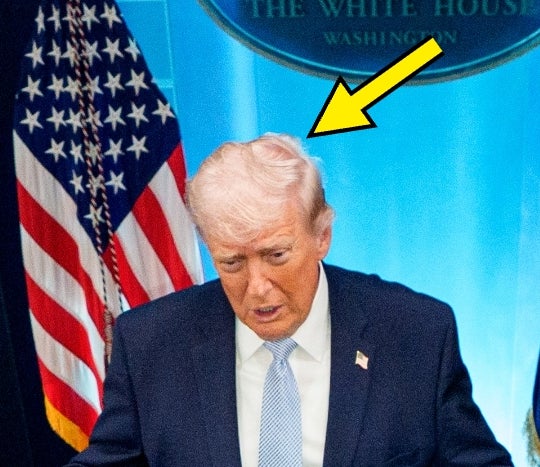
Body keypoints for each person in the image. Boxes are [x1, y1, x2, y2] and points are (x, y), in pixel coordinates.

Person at [67, 133, 513, 466]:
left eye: (276, 255)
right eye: (232, 263)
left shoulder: (416, 335)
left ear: (322, 236)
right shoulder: (151, 344)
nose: (257, 287)